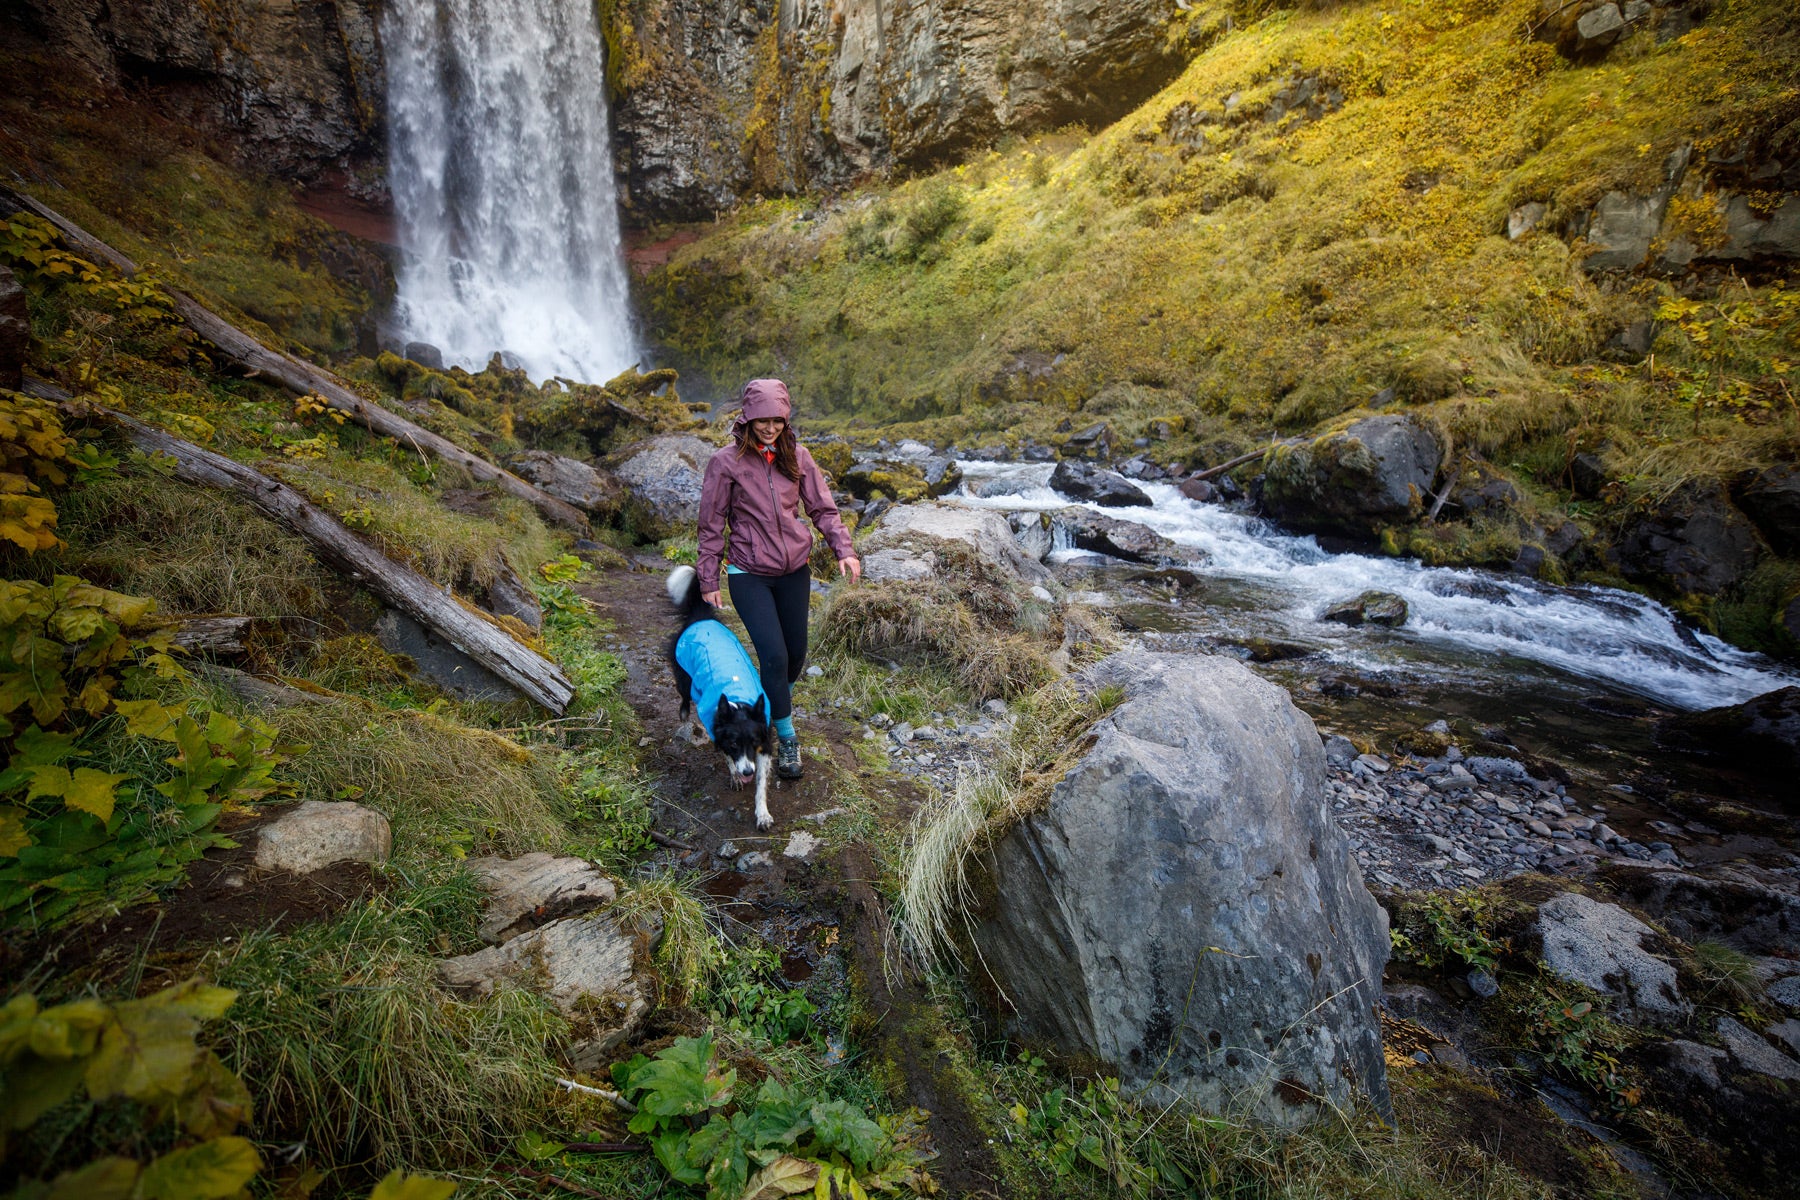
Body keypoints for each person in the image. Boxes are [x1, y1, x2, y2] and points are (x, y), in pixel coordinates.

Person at [696, 378, 860, 779]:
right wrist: (708, 578)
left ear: (786, 419)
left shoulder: (798, 457)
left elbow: (823, 509)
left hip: (793, 572)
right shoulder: (726, 462)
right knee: (774, 655)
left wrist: (845, 550)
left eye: (777, 420)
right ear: (747, 419)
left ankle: (759, 708)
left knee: (795, 655)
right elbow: (711, 524)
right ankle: (784, 738)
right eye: (762, 420)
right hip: (748, 573)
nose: (769, 428)